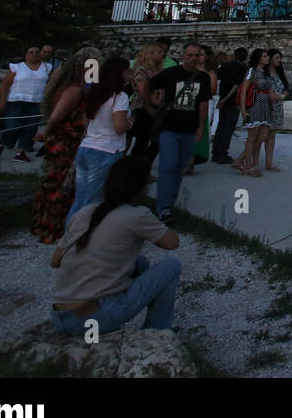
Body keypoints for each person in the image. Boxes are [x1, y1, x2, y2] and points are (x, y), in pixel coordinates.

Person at [50, 154, 181, 336]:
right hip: (94, 319)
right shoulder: (136, 216)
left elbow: (55, 261)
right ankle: (157, 330)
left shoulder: (85, 212)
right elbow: (172, 243)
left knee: (140, 263)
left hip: (59, 317)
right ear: (142, 187)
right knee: (171, 266)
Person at [31, 47, 101, 243]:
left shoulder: (75, 86)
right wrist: (47, 133)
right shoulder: (74, 90)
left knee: (61, 182)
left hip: (67, 139)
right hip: (65, 141)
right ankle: (51, 228)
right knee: (60, 184)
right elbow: (55, 118)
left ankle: (49, 225)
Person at [147, 42, 211, 222]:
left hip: (189, 128)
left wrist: (200, 126)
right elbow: (148, 85)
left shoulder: (203, 78)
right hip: (169, 126)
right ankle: (164, 207)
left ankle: (169, 202)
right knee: (168, 166)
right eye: (189, 55)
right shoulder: (171, 73)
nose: (193, 59)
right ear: (183, 56)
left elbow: (203, 102)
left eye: (196, 55)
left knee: (180, 167)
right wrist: (149, 105)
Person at [69, 56, 131, 221]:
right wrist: (130, 122)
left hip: (87, 147)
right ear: (120, 73)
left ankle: (69, 233)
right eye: (128, 70)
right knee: (93, 201)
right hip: (106, 150)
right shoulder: (120, 97)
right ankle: (83, 237)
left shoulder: (95, 94)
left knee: (80, 197)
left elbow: (85, 121)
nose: (130, 73)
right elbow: (119, 127)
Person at [0, 45, 50, 162]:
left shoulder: (47, 68)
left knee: (30, 128)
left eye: (36, 52)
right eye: (31, 52)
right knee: (12, 126)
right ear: (26, 55)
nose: (34, 54)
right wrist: (2, 100)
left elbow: (51, 84)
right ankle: (2, 143)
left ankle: (20, 153)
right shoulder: (17, 67)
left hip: (36, 102)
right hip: (17, 101)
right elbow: (5, 85)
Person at [232, 49, 275, 178]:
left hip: (265, 105)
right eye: (265, 56)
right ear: (259, 58)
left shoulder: (266, 73)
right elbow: (244, 90)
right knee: (252, 136)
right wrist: (243, 109)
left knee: (262, 136)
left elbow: (270, 91)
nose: (268, 58)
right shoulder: (251, 71)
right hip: (255, 105)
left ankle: (240, 160)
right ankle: (247, 166)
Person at [128, 42, 165, 161]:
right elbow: (142, 92)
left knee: (155, 140)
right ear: (150, 54)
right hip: (142, 108)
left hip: (156, 106)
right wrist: (149, 108)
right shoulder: (141, 70)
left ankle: (144, 167)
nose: (162, 54)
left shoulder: (158, 70)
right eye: (159, 52)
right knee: (142, 140)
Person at [211, 46, 247, 164]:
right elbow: (237, 86)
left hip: (222, 99)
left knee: (221, 126)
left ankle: (215, 153)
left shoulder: (224, 66)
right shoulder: (244, 69)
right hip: (233, 101)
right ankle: (222, 153)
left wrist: (222, 99)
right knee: (228, 128)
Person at [187, 46, 219, 173]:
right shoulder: (188, 70)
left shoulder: (210, 73)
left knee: (198, 130)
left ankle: (191, 161)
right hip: (188, 101)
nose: (198, 57)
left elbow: (212, 91)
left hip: (204, 103)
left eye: (201, 54)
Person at [260, 49, 291, 172]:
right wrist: (280, 96)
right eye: (277, 57)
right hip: (266, 107)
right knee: (260, 135)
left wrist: (282, 96)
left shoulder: (279, 72)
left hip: (277, 107)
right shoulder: (264, 74)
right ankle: (245, 159)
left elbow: (286, 87)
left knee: (271, 135)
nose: (279, 60)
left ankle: (269, 163)